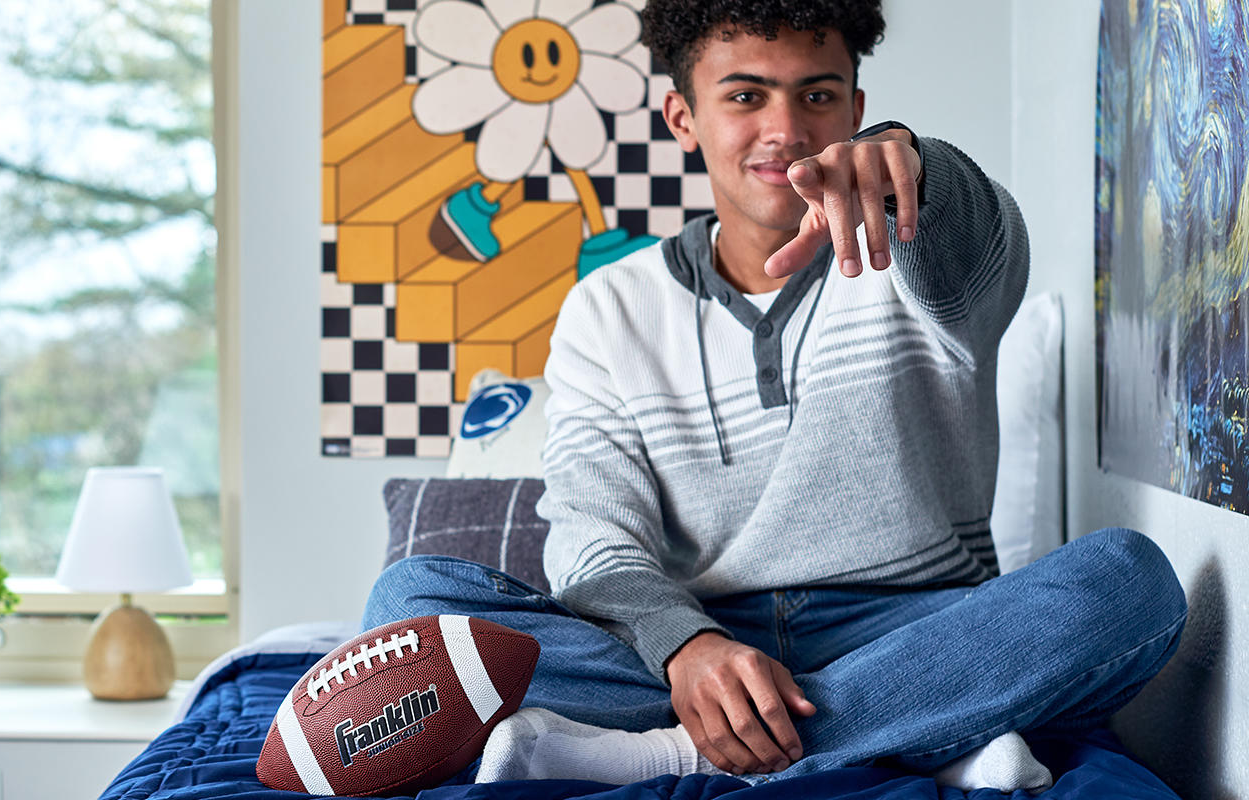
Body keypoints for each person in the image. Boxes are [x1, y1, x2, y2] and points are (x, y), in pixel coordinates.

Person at [361, 0, 1188, 789]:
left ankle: (668, 757)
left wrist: (915, 161)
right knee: (408, 606)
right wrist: (689, 648)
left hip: (918, 627)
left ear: (857, 106)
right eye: (745, 95)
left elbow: (977, 233)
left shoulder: (923, 250)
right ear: (683, 117)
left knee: (1129, 581)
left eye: (817, 95)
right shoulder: (608, 308)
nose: (786, 131)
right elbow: (594, 539)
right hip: (696, 645)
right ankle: (929, 728)